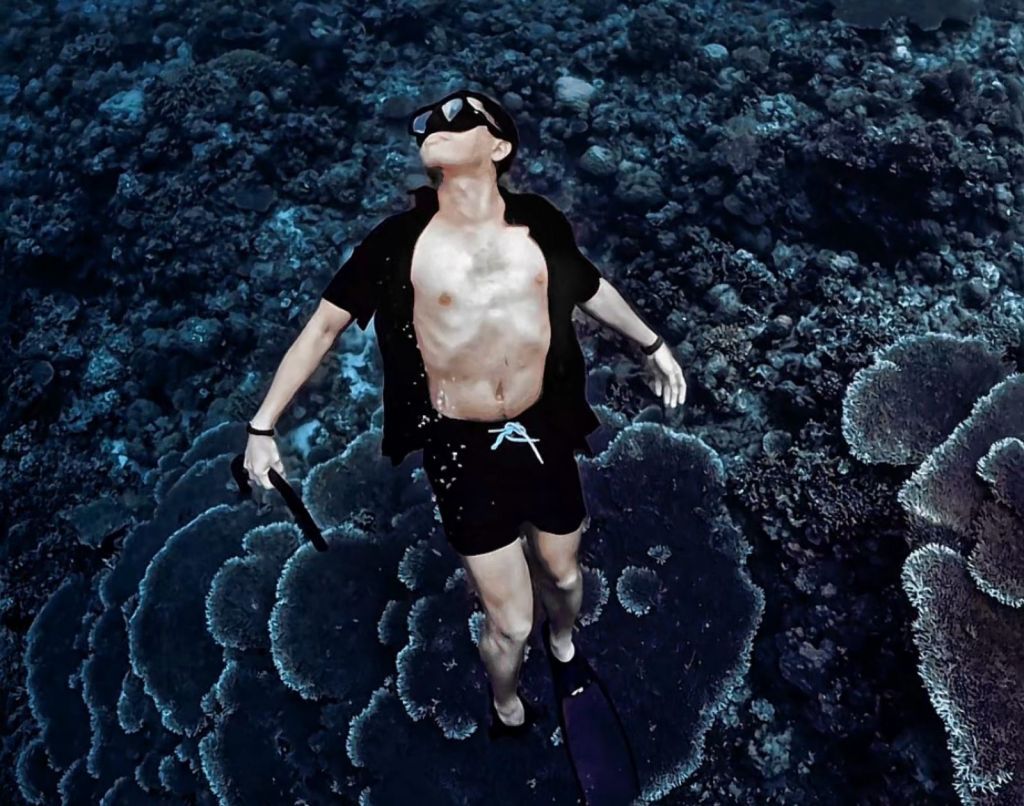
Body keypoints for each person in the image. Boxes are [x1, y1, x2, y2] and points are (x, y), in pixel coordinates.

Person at [243, 88, 686, 736]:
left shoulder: (538, 221)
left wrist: (652, 344)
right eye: (426, 121)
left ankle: (564, 648)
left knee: (565, 580)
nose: (434, 124)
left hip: (544, 431)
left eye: (459, 115)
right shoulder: (398, 243)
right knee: (510, 622)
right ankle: (506, 704)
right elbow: (322, 329)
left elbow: (588, 286)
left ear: (500, 146)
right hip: (462, 451)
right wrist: (261, 426)